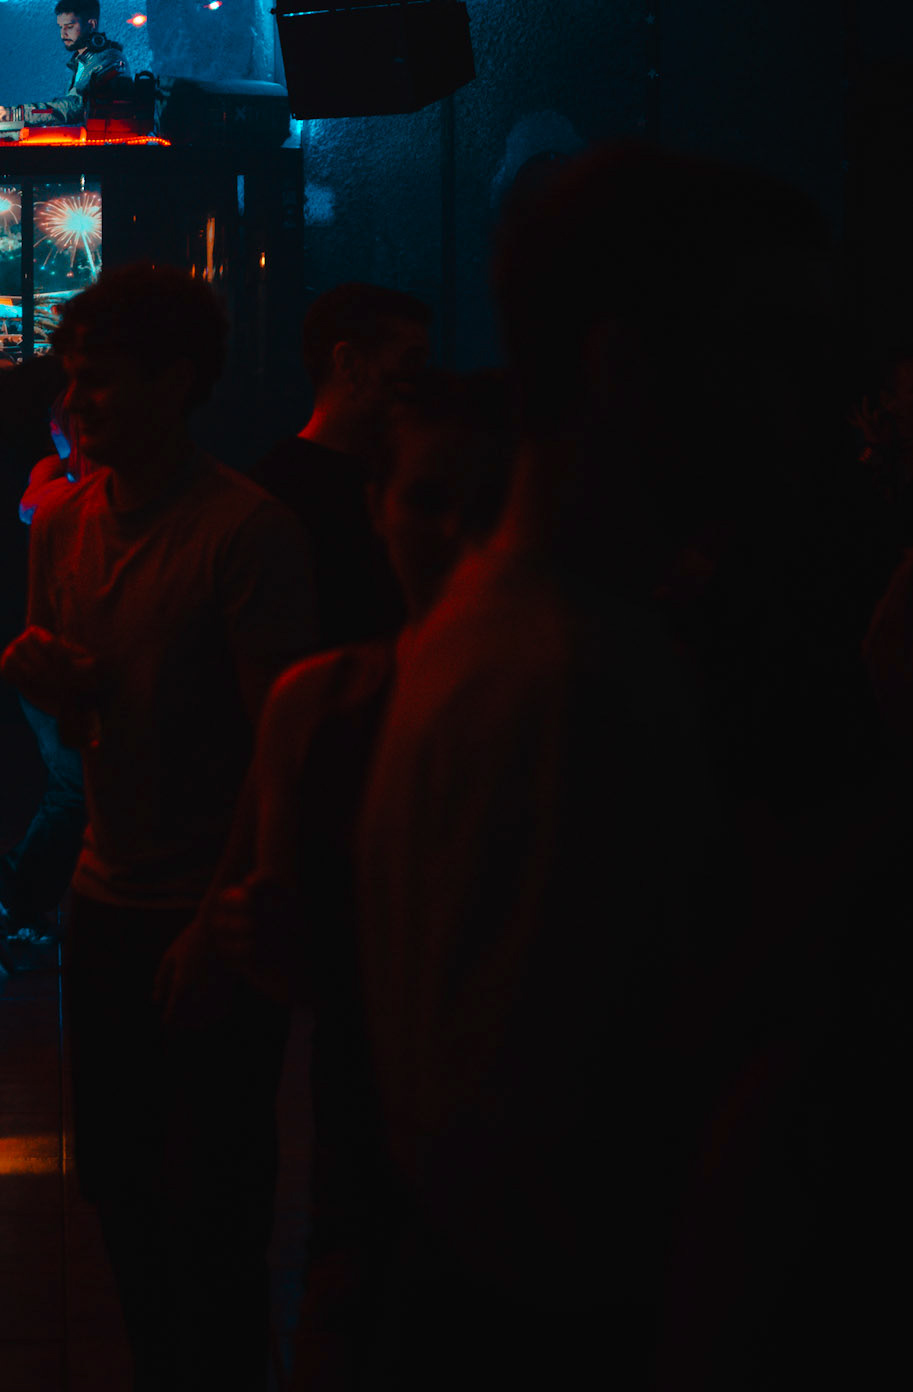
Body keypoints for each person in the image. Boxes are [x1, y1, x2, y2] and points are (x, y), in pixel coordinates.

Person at [358, 145, 833, 1390]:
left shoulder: (495, 628)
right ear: (622, 364)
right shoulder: (573, 669)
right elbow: (543, 1172)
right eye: (771, 348)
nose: (809, 404)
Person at [1, 263, 316, 1391]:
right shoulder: (62, 524)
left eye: (99, 379)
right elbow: (81, 714)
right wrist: (46, 683)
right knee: (122, 1188)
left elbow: (283, 747)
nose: (75, 401)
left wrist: (221, 917)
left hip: (206, 906)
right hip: (104, 894)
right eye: (69, 377)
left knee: (215, 1205)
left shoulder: (246, 531)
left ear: (176, 383)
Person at [217, 370, 512, 1389]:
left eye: (488, 504)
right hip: (369, 1147)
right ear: (375, 506)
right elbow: (289, 961)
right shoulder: (318, 702)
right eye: (429, 499)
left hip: (539, 1170)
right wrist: (256, 931)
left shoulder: (579, 701)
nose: (458, 531)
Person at [0, 403, 90, 972]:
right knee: (77, 788)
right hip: (49, 661)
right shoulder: (60, 483)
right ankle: (4, 894)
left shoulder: (72, 483)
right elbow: (32, 505)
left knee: (76, 787)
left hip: (56, 660)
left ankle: (19, 905)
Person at [253, 283, 430, 646]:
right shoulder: (275, 499)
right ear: (349, 364)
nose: (422, 383)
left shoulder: (264, 488)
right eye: (410, 363)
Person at [0, 0, 130, 128]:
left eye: (69, 26)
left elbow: (74, 108)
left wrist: (18, 114)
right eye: (60, 27)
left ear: (91, 25)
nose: (63, 33)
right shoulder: (82, 61)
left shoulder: (110, 59)